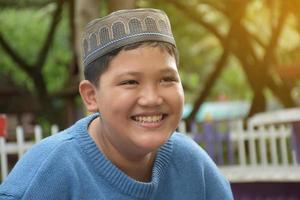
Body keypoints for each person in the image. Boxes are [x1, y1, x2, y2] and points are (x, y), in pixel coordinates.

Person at [0, 8, 233, 200]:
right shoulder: (50, 172)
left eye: (167, 79)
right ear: (91, 96)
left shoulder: (194, 168)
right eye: (130, 82)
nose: (152, 98)